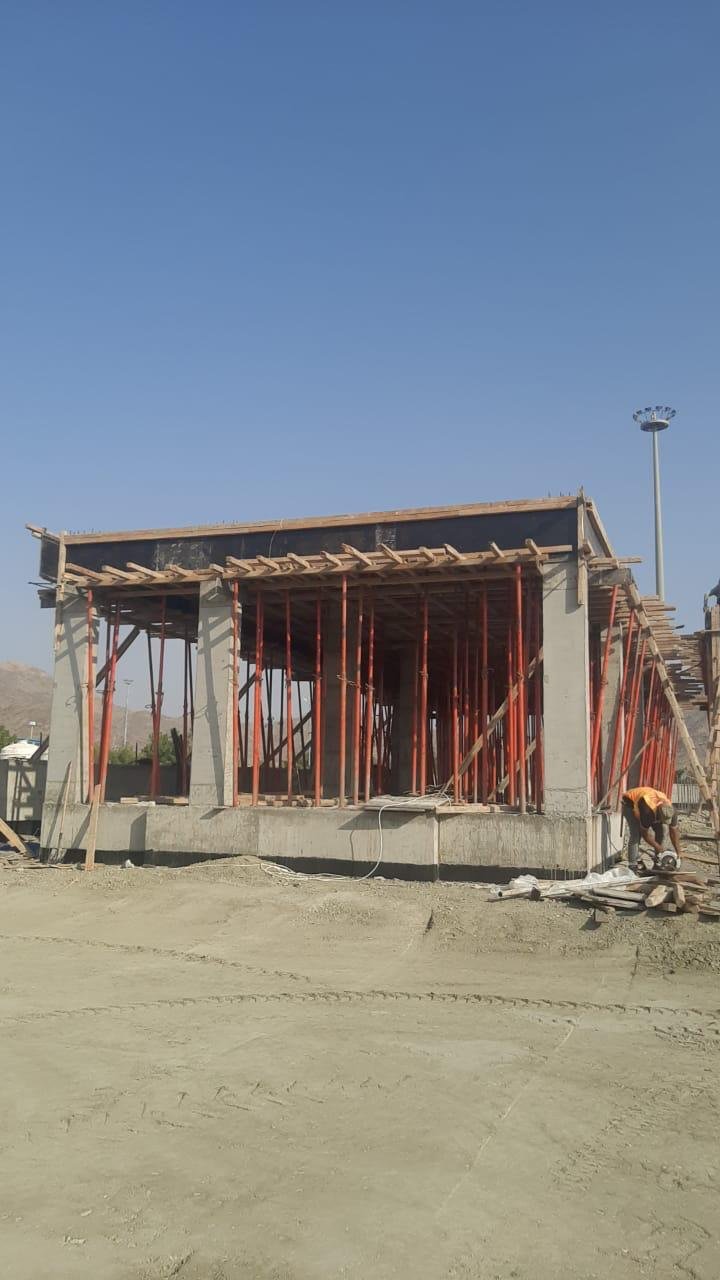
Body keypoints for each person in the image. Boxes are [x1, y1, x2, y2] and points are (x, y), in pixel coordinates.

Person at [621, 785, 682, 867]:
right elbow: (645, 834)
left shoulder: (671, 810)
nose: (663, 822)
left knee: (661, 831)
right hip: (629, 803)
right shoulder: (647, 812)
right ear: (658, 814)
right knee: (636, 834)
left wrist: (678, 852)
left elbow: (674, 832)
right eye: (662, 819)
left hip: (649, 805)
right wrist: (658, 846)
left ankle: (658, 861)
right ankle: (632, 864)